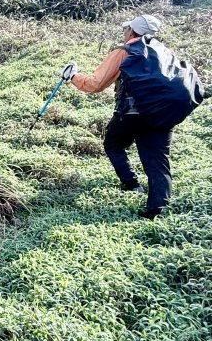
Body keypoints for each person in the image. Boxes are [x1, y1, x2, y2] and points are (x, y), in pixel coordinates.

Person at [60, 14, 170, 219]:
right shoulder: (163, 51)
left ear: (132, 31)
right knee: (157, 160)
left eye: (127, 28)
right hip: (162, 113)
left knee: (113, 145)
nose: (125, 31)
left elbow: (96, 83)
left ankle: (132, 185)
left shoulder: (124, 51)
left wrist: (73, 76)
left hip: (131, 113)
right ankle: (158, 211)